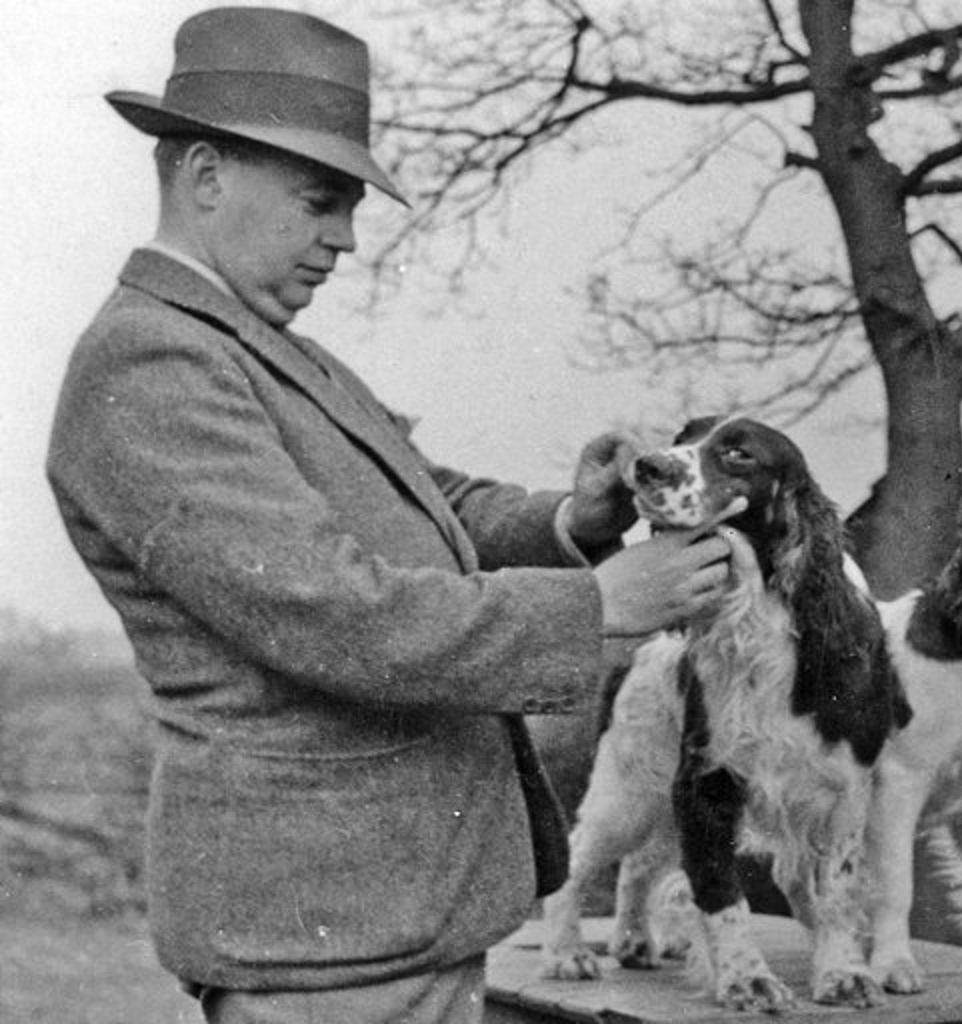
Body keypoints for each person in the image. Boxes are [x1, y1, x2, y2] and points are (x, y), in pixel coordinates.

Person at [45, 8, 733, 1022]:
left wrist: (576, 520)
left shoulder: (253, 343)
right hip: (324, 944)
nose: (347, 238)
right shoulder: (153, 363)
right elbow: (335, 608)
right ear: (203, 176)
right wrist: (598, 609)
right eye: (322, 201)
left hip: (389, 919)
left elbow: (423, 503)